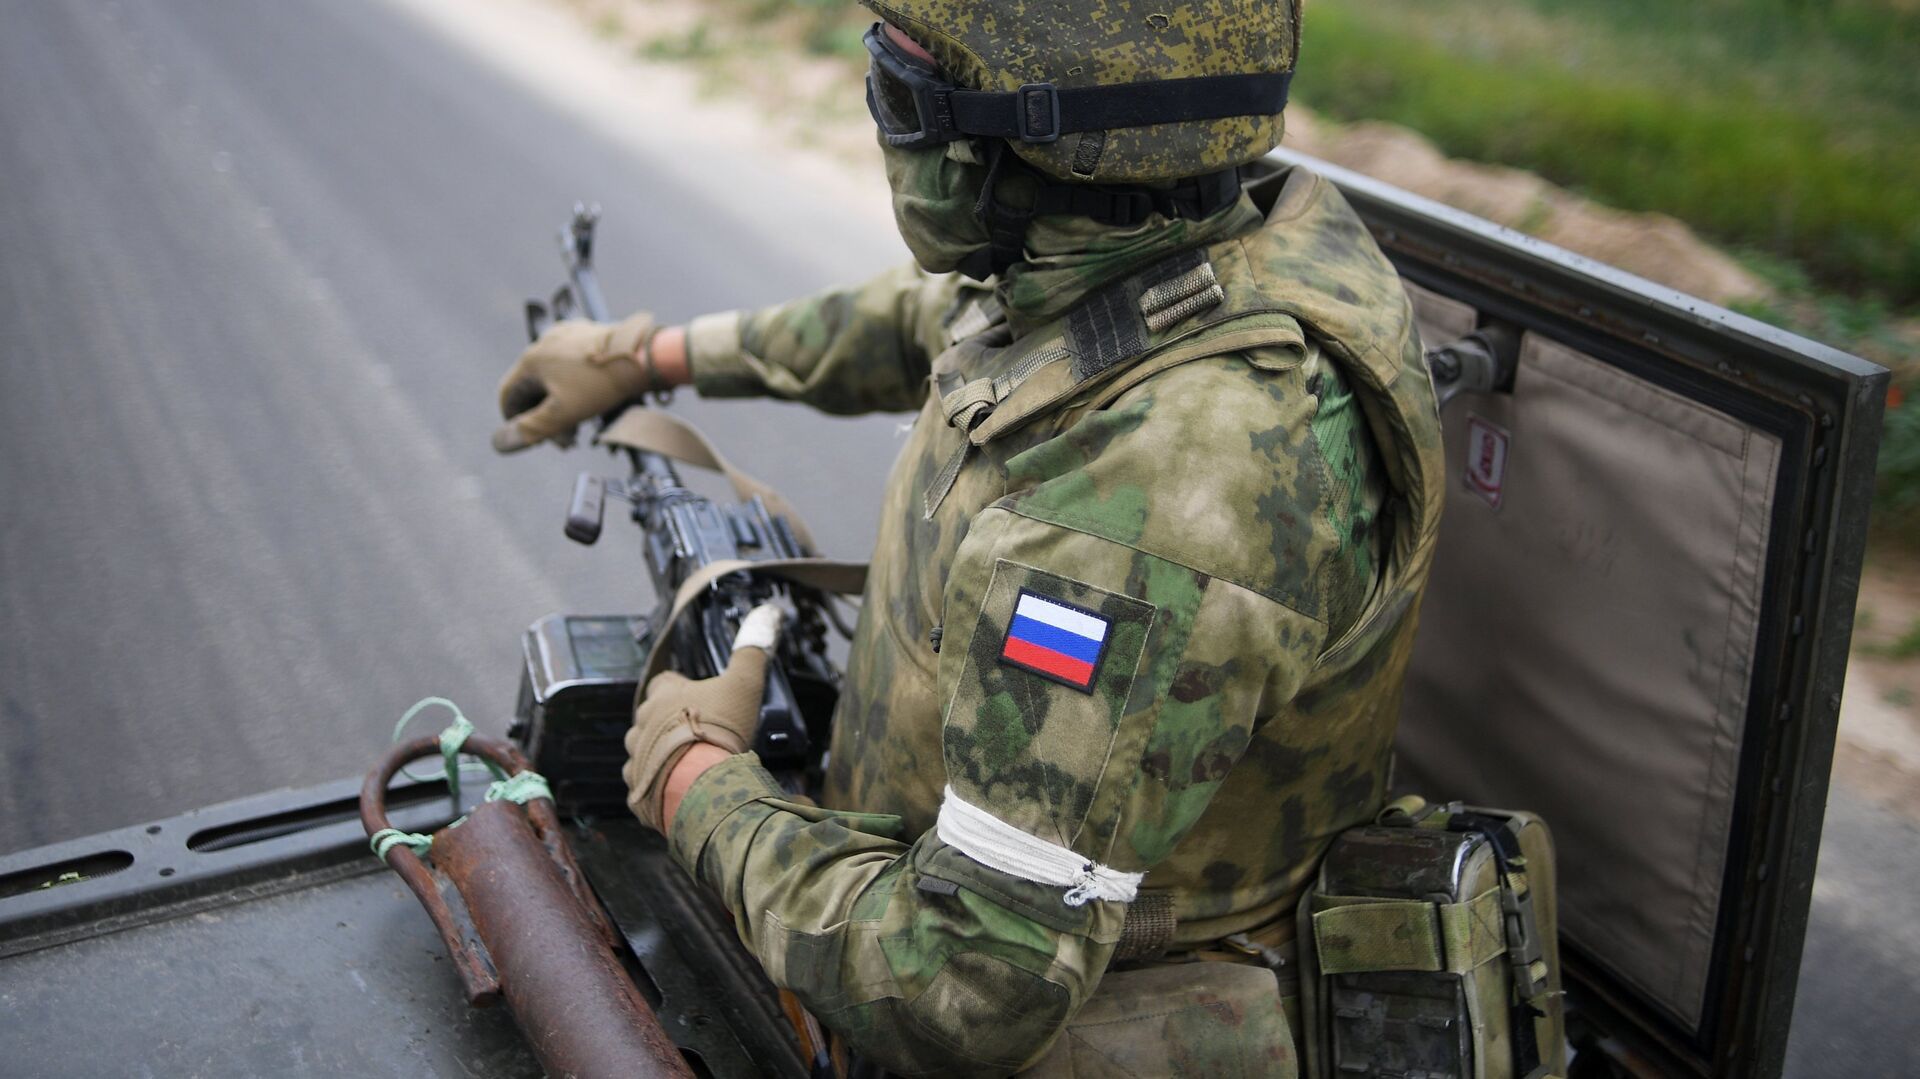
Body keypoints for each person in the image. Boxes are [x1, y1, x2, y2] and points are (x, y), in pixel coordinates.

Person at [492, 1, 1445, 1073]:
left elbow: (960, 985)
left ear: (1030, 144)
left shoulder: (1148, 506)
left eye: (903, 93)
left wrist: (694, 782)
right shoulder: (1206, 235)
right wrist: (654, 355)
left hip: (1077, 1012)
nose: (888, 124)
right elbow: (948, 314)